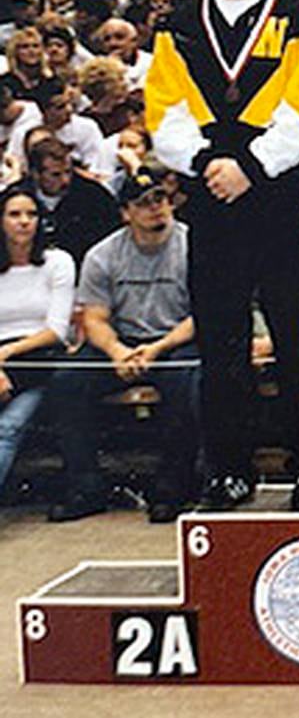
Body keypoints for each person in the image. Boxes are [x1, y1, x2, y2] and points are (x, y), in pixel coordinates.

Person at [147, 0, 299, 510]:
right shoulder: (179, 23)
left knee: (298, 340)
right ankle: (229, 473)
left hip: (278, 201)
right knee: (222, 346)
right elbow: (165, 113)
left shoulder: (298, 14)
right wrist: (206, 163)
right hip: (213, 204)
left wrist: (250, 166)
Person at [45, 167, 199, 523]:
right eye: (143, 203)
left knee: (187, 380)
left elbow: (203, 315)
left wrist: (157, 348)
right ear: (126, 213)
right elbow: (95, 318)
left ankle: (173, 485)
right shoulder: (104, 255)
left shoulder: (193, 245)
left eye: (160, 198)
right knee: (67, 382)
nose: (155, 208)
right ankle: (86, 485)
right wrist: (117, 351)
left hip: (176, 338)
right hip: (122, 340)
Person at [0, 182, 74, 497]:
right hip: (3, 365)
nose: (24, 221)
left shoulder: (58, 262)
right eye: (14, 214)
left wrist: (5, 355)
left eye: (31, 214)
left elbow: (57, 329)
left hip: (39, 358)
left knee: (8, 428)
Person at [27, 136, 120, 263]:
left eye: (68, 172)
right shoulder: (17, 196)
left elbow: (112, 239)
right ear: (35, 174)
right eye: (55, 174)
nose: (65, 180)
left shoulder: (94, 196)